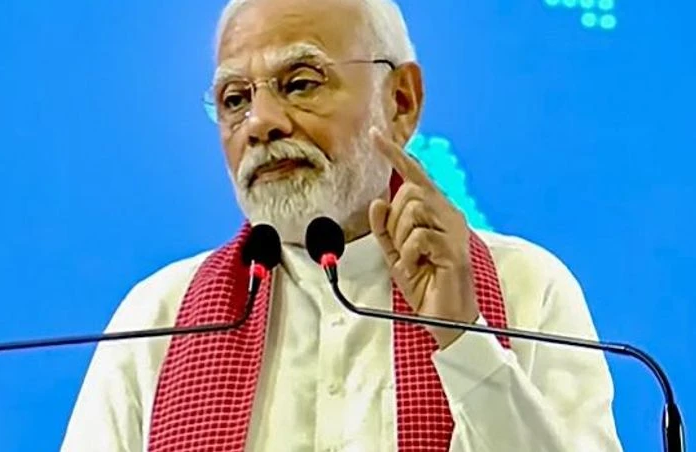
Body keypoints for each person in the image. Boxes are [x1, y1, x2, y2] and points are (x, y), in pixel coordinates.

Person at [61, 0, 623, 450]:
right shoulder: (158, 318)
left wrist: (463, 336)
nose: (262, 124)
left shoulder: (527, 287)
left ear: (400, 101)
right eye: (235, 99)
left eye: (300, 83)